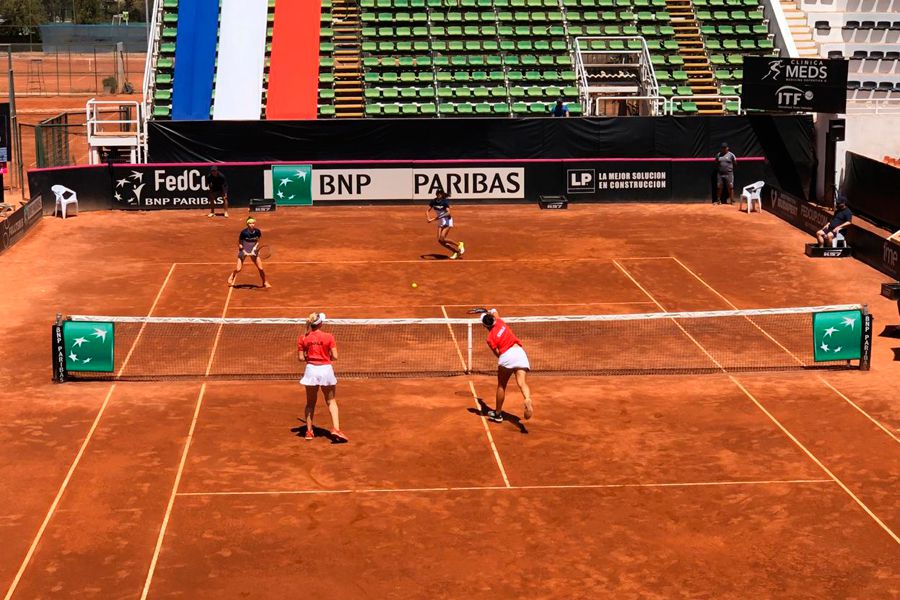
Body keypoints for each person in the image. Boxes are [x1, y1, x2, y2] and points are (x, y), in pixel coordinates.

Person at [298, 312, 348, 443]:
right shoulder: (329, 337)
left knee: (310, 403)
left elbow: (301, 358)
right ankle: (336, 429)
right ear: (320, 323)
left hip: (311, 371)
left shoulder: (303, 338)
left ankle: (309, 431)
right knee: (331, 401)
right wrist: (326, 357)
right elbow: (335, 356)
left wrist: (311, 357)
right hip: (326, 370)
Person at [481, 309, 533, 423]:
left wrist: (505, 362)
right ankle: (527, 399)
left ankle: (498, 414)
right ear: (493, 320)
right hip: (520, 353)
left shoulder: (490, 338)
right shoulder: (500, 322)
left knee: (501, 386)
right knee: (522, 382)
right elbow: (495, 311)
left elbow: (498, 353)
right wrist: (488, 310)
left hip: (507, 356)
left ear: (485, 326)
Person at [227, 217, 271, 288]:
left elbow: (258, 240)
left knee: (261, 268)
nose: (252, 225)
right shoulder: (244, 233)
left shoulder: (257, 231)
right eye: (250, 223)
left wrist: (254, 248)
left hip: (253, 250)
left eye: (253, 223)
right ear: (247, 224)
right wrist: (244, 251)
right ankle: (232, 275)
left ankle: (265, 282)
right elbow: (239, 243)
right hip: (244, 250)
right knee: (238, 269)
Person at [426, 189, 465, 260]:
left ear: (442, 194)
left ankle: (459, 244)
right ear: (436, 194)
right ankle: (455, 252)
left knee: (442, 237)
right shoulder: (433, 201)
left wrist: (435, 218)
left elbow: (448, 213)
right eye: (438, 193)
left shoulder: (444, 202)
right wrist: (428, 217)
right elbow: (427, 210)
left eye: (440, 193)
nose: (439, 194)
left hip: (447, 221)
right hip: (440, 222)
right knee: (440, 241)